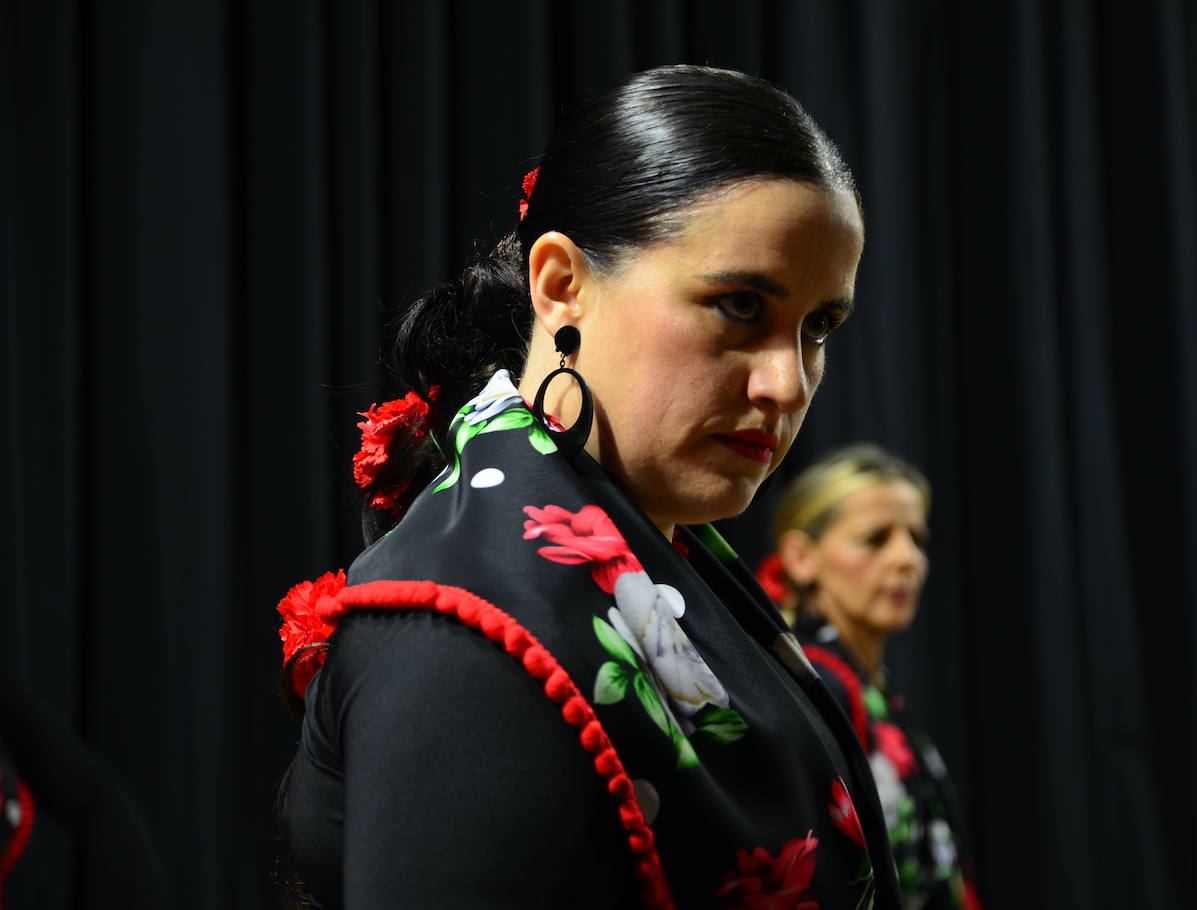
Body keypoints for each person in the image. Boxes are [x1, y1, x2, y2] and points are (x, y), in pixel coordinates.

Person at [275, 65, 904, 908]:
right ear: (561, 285)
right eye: (741, 305)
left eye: (819, 327)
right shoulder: (468, 628)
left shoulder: (654, 558)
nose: (787, 385)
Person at [765, 444, 982, 910]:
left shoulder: (865, 682)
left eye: (917, 539)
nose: (907, 559)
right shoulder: (814, 685)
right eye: (877, 538)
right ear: (802, 557)